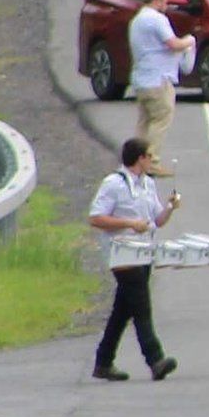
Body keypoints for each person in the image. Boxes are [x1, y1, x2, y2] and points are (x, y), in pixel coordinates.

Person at [86, 138, 180, 381]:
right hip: (122, 254)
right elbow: (96, 218)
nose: (152, 161)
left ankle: (103, 361)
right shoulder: (114, 184)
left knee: (123, 310)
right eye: (150, 156)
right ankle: (155, 359)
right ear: (140, 158)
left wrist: (170, 207)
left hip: (144, 252)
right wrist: (129, 223)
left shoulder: (148, 184)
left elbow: (156, 220)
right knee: (141, 306)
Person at [126, 0, 192, 166]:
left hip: (141, 79)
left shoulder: (137, 20)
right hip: (158, 78)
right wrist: (188, 41)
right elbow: (173, 44)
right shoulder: (157, 19)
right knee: (161, 117)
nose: (166, 6)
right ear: (157, 0)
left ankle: (135, 160)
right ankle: (151, 160)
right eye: (165, 2)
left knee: (145, 121)